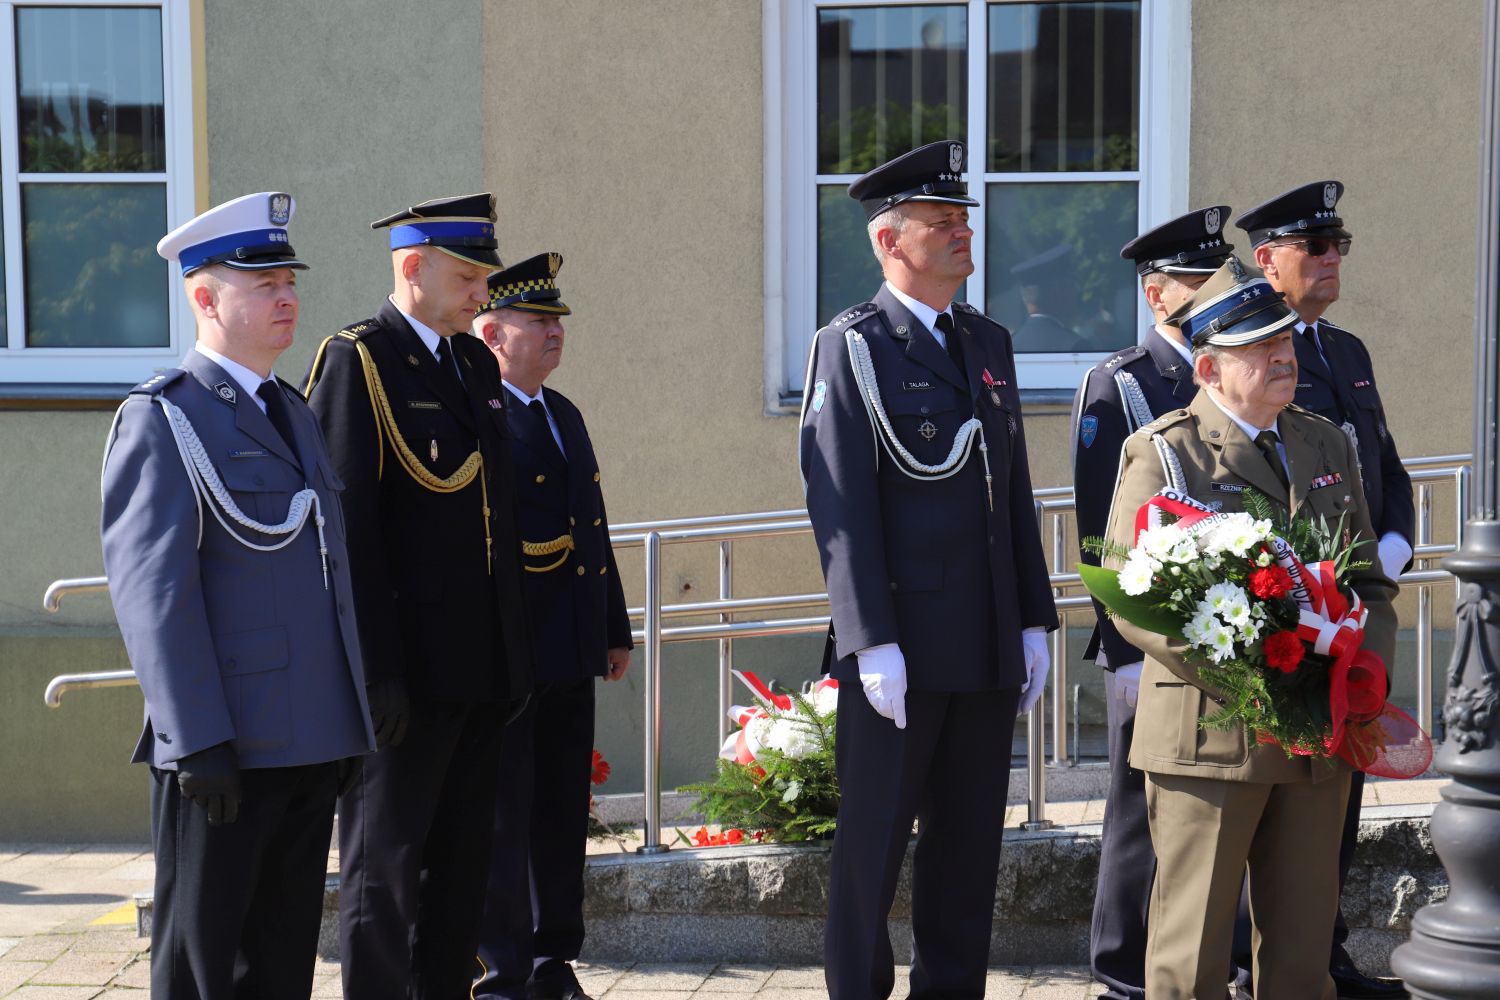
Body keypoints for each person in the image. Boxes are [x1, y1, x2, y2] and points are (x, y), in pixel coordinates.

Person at [799, 139, 1057, 1000]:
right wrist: (870, 639)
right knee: (872, 849)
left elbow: (1010, 488)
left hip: (983, 640)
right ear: (888, 242)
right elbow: (840, 509)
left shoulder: (988, 341)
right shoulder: (853, 347)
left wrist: (1031, 617)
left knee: (967, 848)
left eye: (962, 219)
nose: (960, 233)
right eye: (939, 222)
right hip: (901, 649)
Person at [101, 192, 375, 1000]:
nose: (286, 295)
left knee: (283, 959)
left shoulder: (291, 409)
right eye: (261, 283)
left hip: (308, 738)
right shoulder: (163, 418)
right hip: (226, 747)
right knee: (198, 962)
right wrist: (196, 740)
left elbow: (327, 577)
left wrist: (348, 717)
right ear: (204, 298)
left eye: (288, 279)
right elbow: (155, 595)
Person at [1105, 258, 1398, 999]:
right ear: (1207, 366)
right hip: (1212, 738)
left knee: (1302, 959)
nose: (1283, 358)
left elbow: (1367, 579)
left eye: (1285, 344)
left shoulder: (1324, 443)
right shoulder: (1165, 453)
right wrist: (1264, 681)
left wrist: (1360, 678)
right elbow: (1132, 599)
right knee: (1191, 959)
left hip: (1317, 740)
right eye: (1259, 349)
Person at [302, 193, 532, 1000]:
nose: (482, 294)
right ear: (413, 267)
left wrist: (512, 655)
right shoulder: (357, 361)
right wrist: (373, 675)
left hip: (478, 672)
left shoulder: (471, 363)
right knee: (384, 875)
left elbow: (494, 515)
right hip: (403, 679)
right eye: (469, 276)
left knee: (463, 870)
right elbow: (347, 533)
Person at [1237, 182, 1414, 1000]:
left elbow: (1382, 460)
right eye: (1317, 247)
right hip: (1292, 612)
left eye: (1339, 244)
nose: (1333, 258)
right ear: (1267, 260)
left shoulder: (1345, 351)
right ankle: (1250, 963)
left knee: (1339, 791)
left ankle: (1324, 954)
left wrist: (1397, 540)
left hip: (1355, 607)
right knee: (1276, 795)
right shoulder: (1248, 351)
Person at [1071, 206, 1233, 1000]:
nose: (1213, 298)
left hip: (1223, 635)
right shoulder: (1123, 382)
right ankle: (1119, 968)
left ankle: (1216, 957)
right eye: (1197, 285)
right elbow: (1097, 531)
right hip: (1148, 637)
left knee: (1217, 804)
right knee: (1137, 813)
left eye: (1218, 282)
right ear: (1156, 295)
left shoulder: (1225, 376)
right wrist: (1123, 644)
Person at [469, 253, 633, 1000]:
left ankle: (551, 960)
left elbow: (589, 526)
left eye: (556, 322)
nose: (553, 333)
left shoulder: (560, 413)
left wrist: (613, 626)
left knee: (562, 809)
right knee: (506, 817)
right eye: (537, 321)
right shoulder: (483, 415)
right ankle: (500, 968)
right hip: (512, 649)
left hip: (568, 645)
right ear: (492, 332)